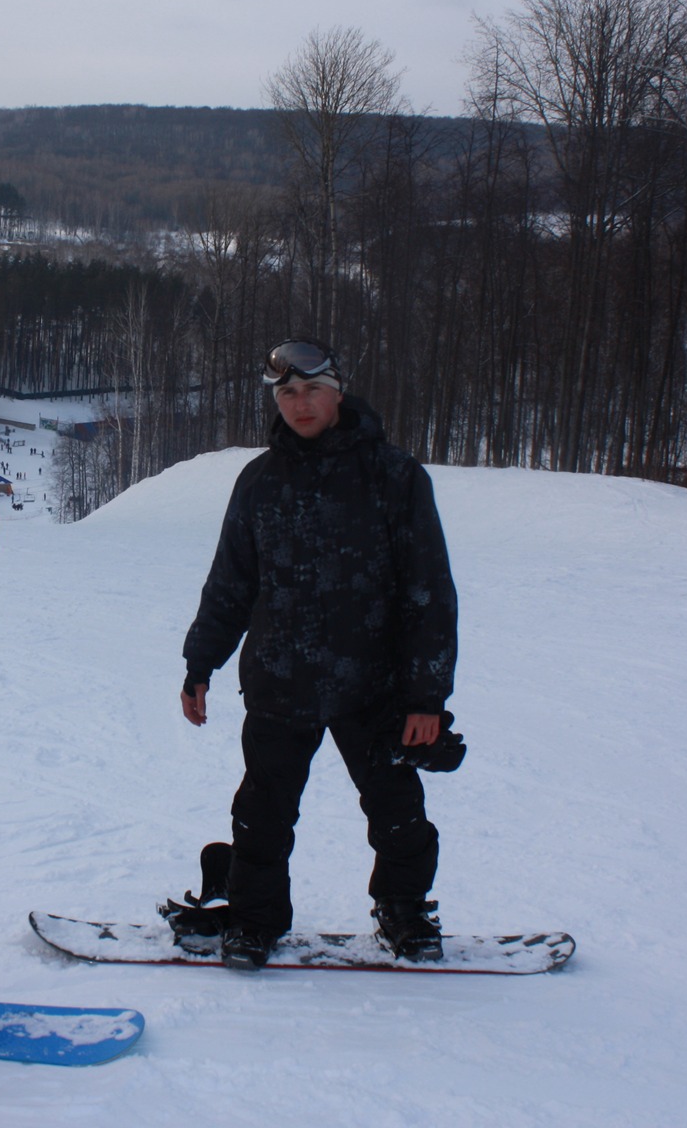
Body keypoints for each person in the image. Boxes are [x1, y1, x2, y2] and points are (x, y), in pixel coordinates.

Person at [179, 340, 459, 970]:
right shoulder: (259, 481)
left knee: (397, 814)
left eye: (310, 391)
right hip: (280, 680)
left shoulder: (395, 476)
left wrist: (426, 698)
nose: (299, 404)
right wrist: (200, 666)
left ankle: (404, 911)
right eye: (286, 394)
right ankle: (254, 921)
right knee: (261, 815)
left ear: (337, 392)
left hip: (375, 686)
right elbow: (231, 583)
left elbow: (428, 592)